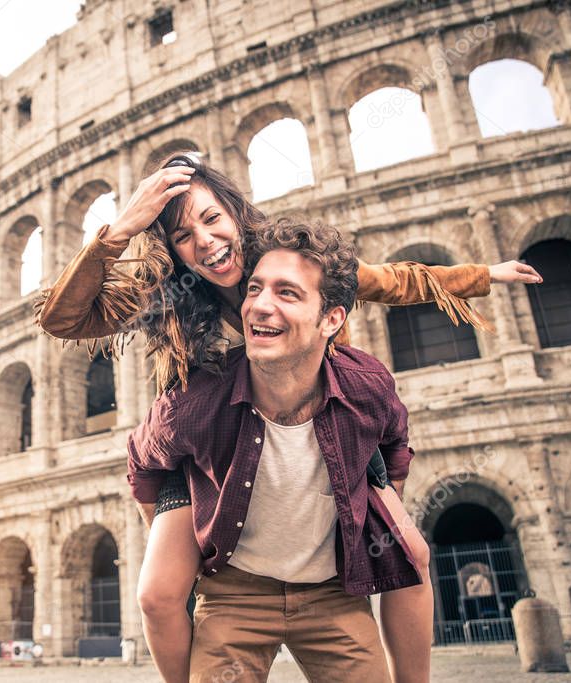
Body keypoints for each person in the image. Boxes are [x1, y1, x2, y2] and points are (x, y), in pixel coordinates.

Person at [37, 151, 543, 683]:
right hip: (211, 446)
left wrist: (484, 274)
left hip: (330, 422)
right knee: (159, 591)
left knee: (413, 554)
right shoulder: (170, 294)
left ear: (234, 212)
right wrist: (121, 229)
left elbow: (391, 280)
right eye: (184, 236)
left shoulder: (286, 257)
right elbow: (63, 318)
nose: (206, 242)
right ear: (171, 250)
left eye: (212, 219)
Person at [129, 219, 421, 681]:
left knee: (415, 553)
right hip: (233, 592)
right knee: (156, 594)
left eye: (287, 293)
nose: (260, 307)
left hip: (333, 594)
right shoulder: (194, 400)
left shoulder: (367, 385)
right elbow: (144, 464)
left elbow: (395, 444)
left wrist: (380, 506)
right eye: (255, 289)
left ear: (332, 319)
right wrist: (178, 534)